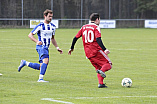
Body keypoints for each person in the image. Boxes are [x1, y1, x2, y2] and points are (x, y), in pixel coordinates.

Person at [68, 13, 112, 88]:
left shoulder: (83, 27)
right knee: (108, 64)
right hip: (96, 51)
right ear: (97, 19)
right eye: (99, 19)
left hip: (88, 53)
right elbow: (98, 39)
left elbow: (75, 38)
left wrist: (71, 48)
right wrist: (105, 49)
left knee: (99, 68)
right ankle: (102, 73)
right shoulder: (96, 27)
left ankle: (101, 84)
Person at [18, 9, 63, 82]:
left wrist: (57, 47)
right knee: (46, 61)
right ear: (45, 16)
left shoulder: (53, 27)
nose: (50, 18)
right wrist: (37, 41)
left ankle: (25, 63)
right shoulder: (40, 26)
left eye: (51, 16)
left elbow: (52, 38)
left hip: (46, 47)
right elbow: (30, 35)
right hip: (41, 47)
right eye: (49, 16)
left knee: (42, 66)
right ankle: (40, 79)